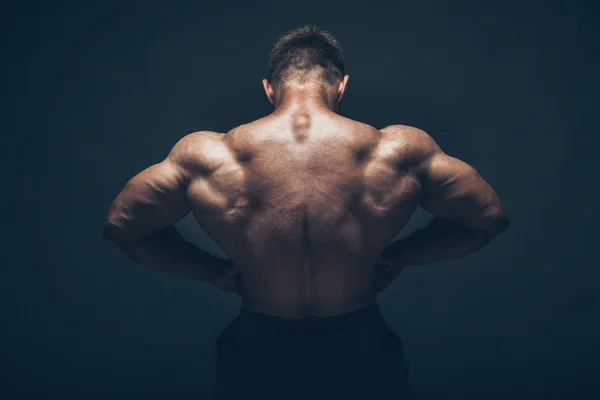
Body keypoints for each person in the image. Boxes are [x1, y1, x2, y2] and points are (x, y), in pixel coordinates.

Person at [103, 25, 509, 399]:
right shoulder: (398, 151)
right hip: (360, 345)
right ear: (342, 86)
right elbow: (488, 217)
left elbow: (123, 225)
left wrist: (210, 270)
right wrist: (401, 255)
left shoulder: (209, 156)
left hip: (257, 347)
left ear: (268, 88)